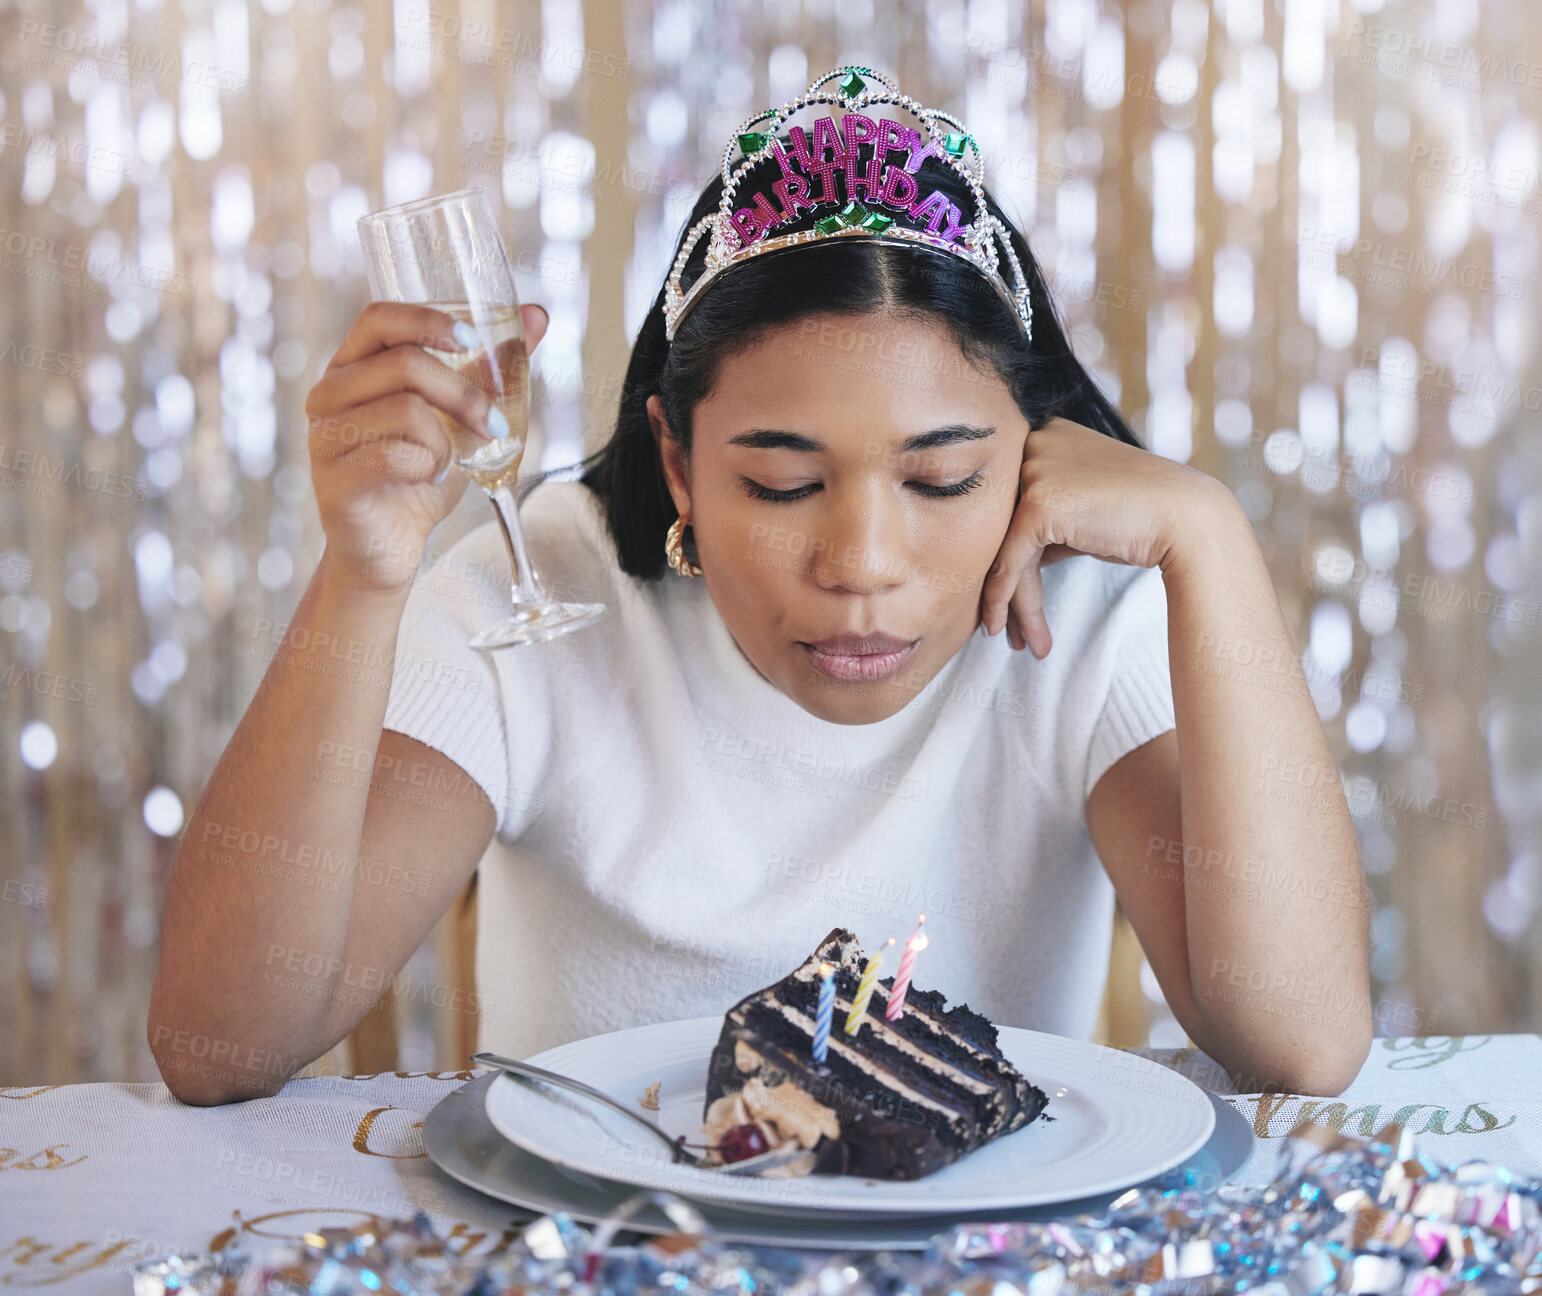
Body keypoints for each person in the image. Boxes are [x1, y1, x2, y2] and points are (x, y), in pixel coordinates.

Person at [148, 69, 1371, 1107]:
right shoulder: (547, 591)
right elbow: (221, 1044)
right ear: (675, 460)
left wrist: (1211, 541)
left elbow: (1302, 1046)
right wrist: (363, 576)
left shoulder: (1079, 606)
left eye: (942, 480)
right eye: (782, 486)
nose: (862, 567)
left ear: (1033, 453)